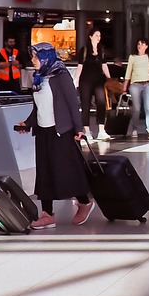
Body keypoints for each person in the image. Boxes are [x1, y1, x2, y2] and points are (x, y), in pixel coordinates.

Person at [13, 44, 94, 228]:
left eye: (35, 57)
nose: (32, 60)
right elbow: (38, 108)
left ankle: (84, 202)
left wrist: (78, 128)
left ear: (46, 57)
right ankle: (47, 214)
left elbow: (73, 103)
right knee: (44, 173)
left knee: (66, 170)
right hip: (43, 131)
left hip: (61, 131)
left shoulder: (61, 75)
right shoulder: (39, 78)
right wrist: (28, 123)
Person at [75, 28, 111, 141]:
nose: (98, 38)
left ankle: (101, 130)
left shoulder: (101, 49)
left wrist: (110, 79)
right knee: (85, 105)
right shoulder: (84, 50)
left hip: (98, 80)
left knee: (101, 102)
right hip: (85, 81)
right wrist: (76, 80)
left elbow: (104, 65)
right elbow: (80, 66)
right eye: (96, 35)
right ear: (90, 36)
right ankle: (87, 131)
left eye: (99, 36)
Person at [124, 37, 149, 140]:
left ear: (146, 46)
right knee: (136, 108)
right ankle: (134, 128)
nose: (140, 46)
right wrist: (125, 85)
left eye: (142, 44)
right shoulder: (132, 57)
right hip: (135, 84)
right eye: (138, 44)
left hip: (147, 84)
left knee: (148, 108)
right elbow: (128, 71)